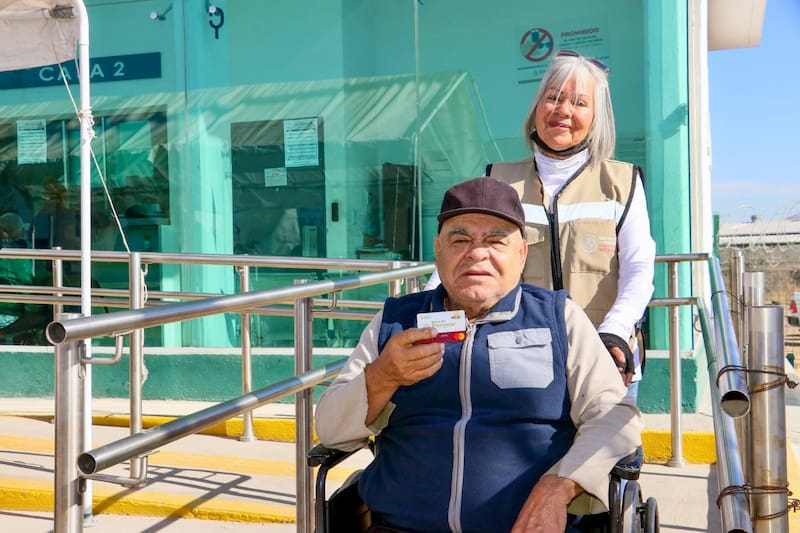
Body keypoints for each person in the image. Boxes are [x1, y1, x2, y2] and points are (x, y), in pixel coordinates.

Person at [315, 177, 642, 532]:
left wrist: (561, 486)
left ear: (521, 254)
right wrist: (382, 377)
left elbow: (615, 417)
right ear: (438, 250)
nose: (477, 253)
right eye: (460, 240)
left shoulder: (558, 318)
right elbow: (331, 431)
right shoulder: (394, 322)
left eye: (496, 241)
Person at [426, 50, 655, 399]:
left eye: (579, 103)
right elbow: (459, 261)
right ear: (537, 107)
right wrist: (427, 319)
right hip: (518, 363)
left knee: (607, 436)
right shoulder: (498, 181)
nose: (563, 110)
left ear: (597, 118)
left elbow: (639, 270)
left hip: (603, 359)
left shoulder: (622, 183)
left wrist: (615, 331)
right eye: (553, 98)